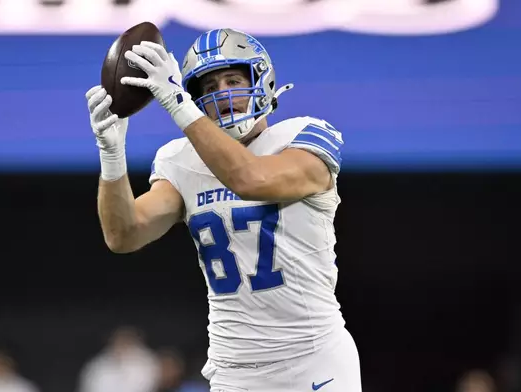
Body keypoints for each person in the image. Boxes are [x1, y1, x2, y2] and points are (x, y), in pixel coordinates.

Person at [85, 28, 361, 392]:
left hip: (312, 358)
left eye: (233, 79)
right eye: (210, 88)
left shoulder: (303, 136)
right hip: (234, 368)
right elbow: (124, 234)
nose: (225, 94)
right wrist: (112, 157)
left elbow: (251, 179)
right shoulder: (181, 160)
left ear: (263, 81)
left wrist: (177, 104)